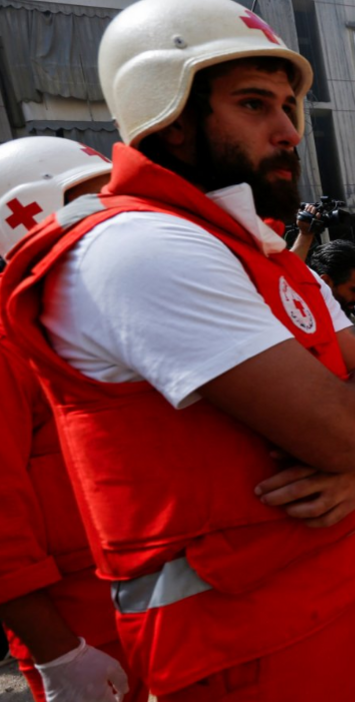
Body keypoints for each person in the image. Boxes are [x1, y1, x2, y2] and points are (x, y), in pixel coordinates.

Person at [0, 1, 355, 699]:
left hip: (339, 592)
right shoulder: (137, 247)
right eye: (255, 104)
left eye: (289, 105)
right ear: (170, 113)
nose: (289, 131)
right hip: (239, 642)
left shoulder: (260, 252)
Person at [0, 137, 147, 702]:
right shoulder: (10, 347)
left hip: (153, 597)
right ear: (27, 217)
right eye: (93, 205)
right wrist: (58, 653)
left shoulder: (89, 323)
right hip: (80, 626)